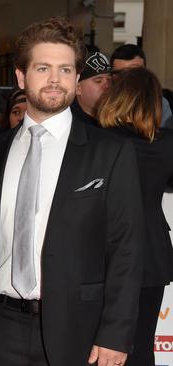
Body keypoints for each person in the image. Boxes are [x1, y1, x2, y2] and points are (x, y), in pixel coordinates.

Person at [0, 17, 143, 366]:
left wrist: (115, 334)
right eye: (43, 68)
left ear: (76, 77)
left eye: (66, 69)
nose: (55, 80)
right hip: (3, 328)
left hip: (79, 330)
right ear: (21, 77)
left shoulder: (110, 152)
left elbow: (126, 250)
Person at [97, 67, 173, 366]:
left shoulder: (97, 142)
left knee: (97, 346)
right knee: (141, 347)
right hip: (152, 255)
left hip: (103, 254)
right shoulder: (167, 144)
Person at [111, 44, 173, 127]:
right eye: (120, 73)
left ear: (145, 73)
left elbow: (165, 136)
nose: (127, 79)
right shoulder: (101, 101)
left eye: (135, 72)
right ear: (111, 75)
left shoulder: (159, 103)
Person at [71, 50, 112, 126]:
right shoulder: (68, 125)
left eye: (109, 80)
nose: (107, 85)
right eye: (98, 81)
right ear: (77, 88)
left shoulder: (116, 120)